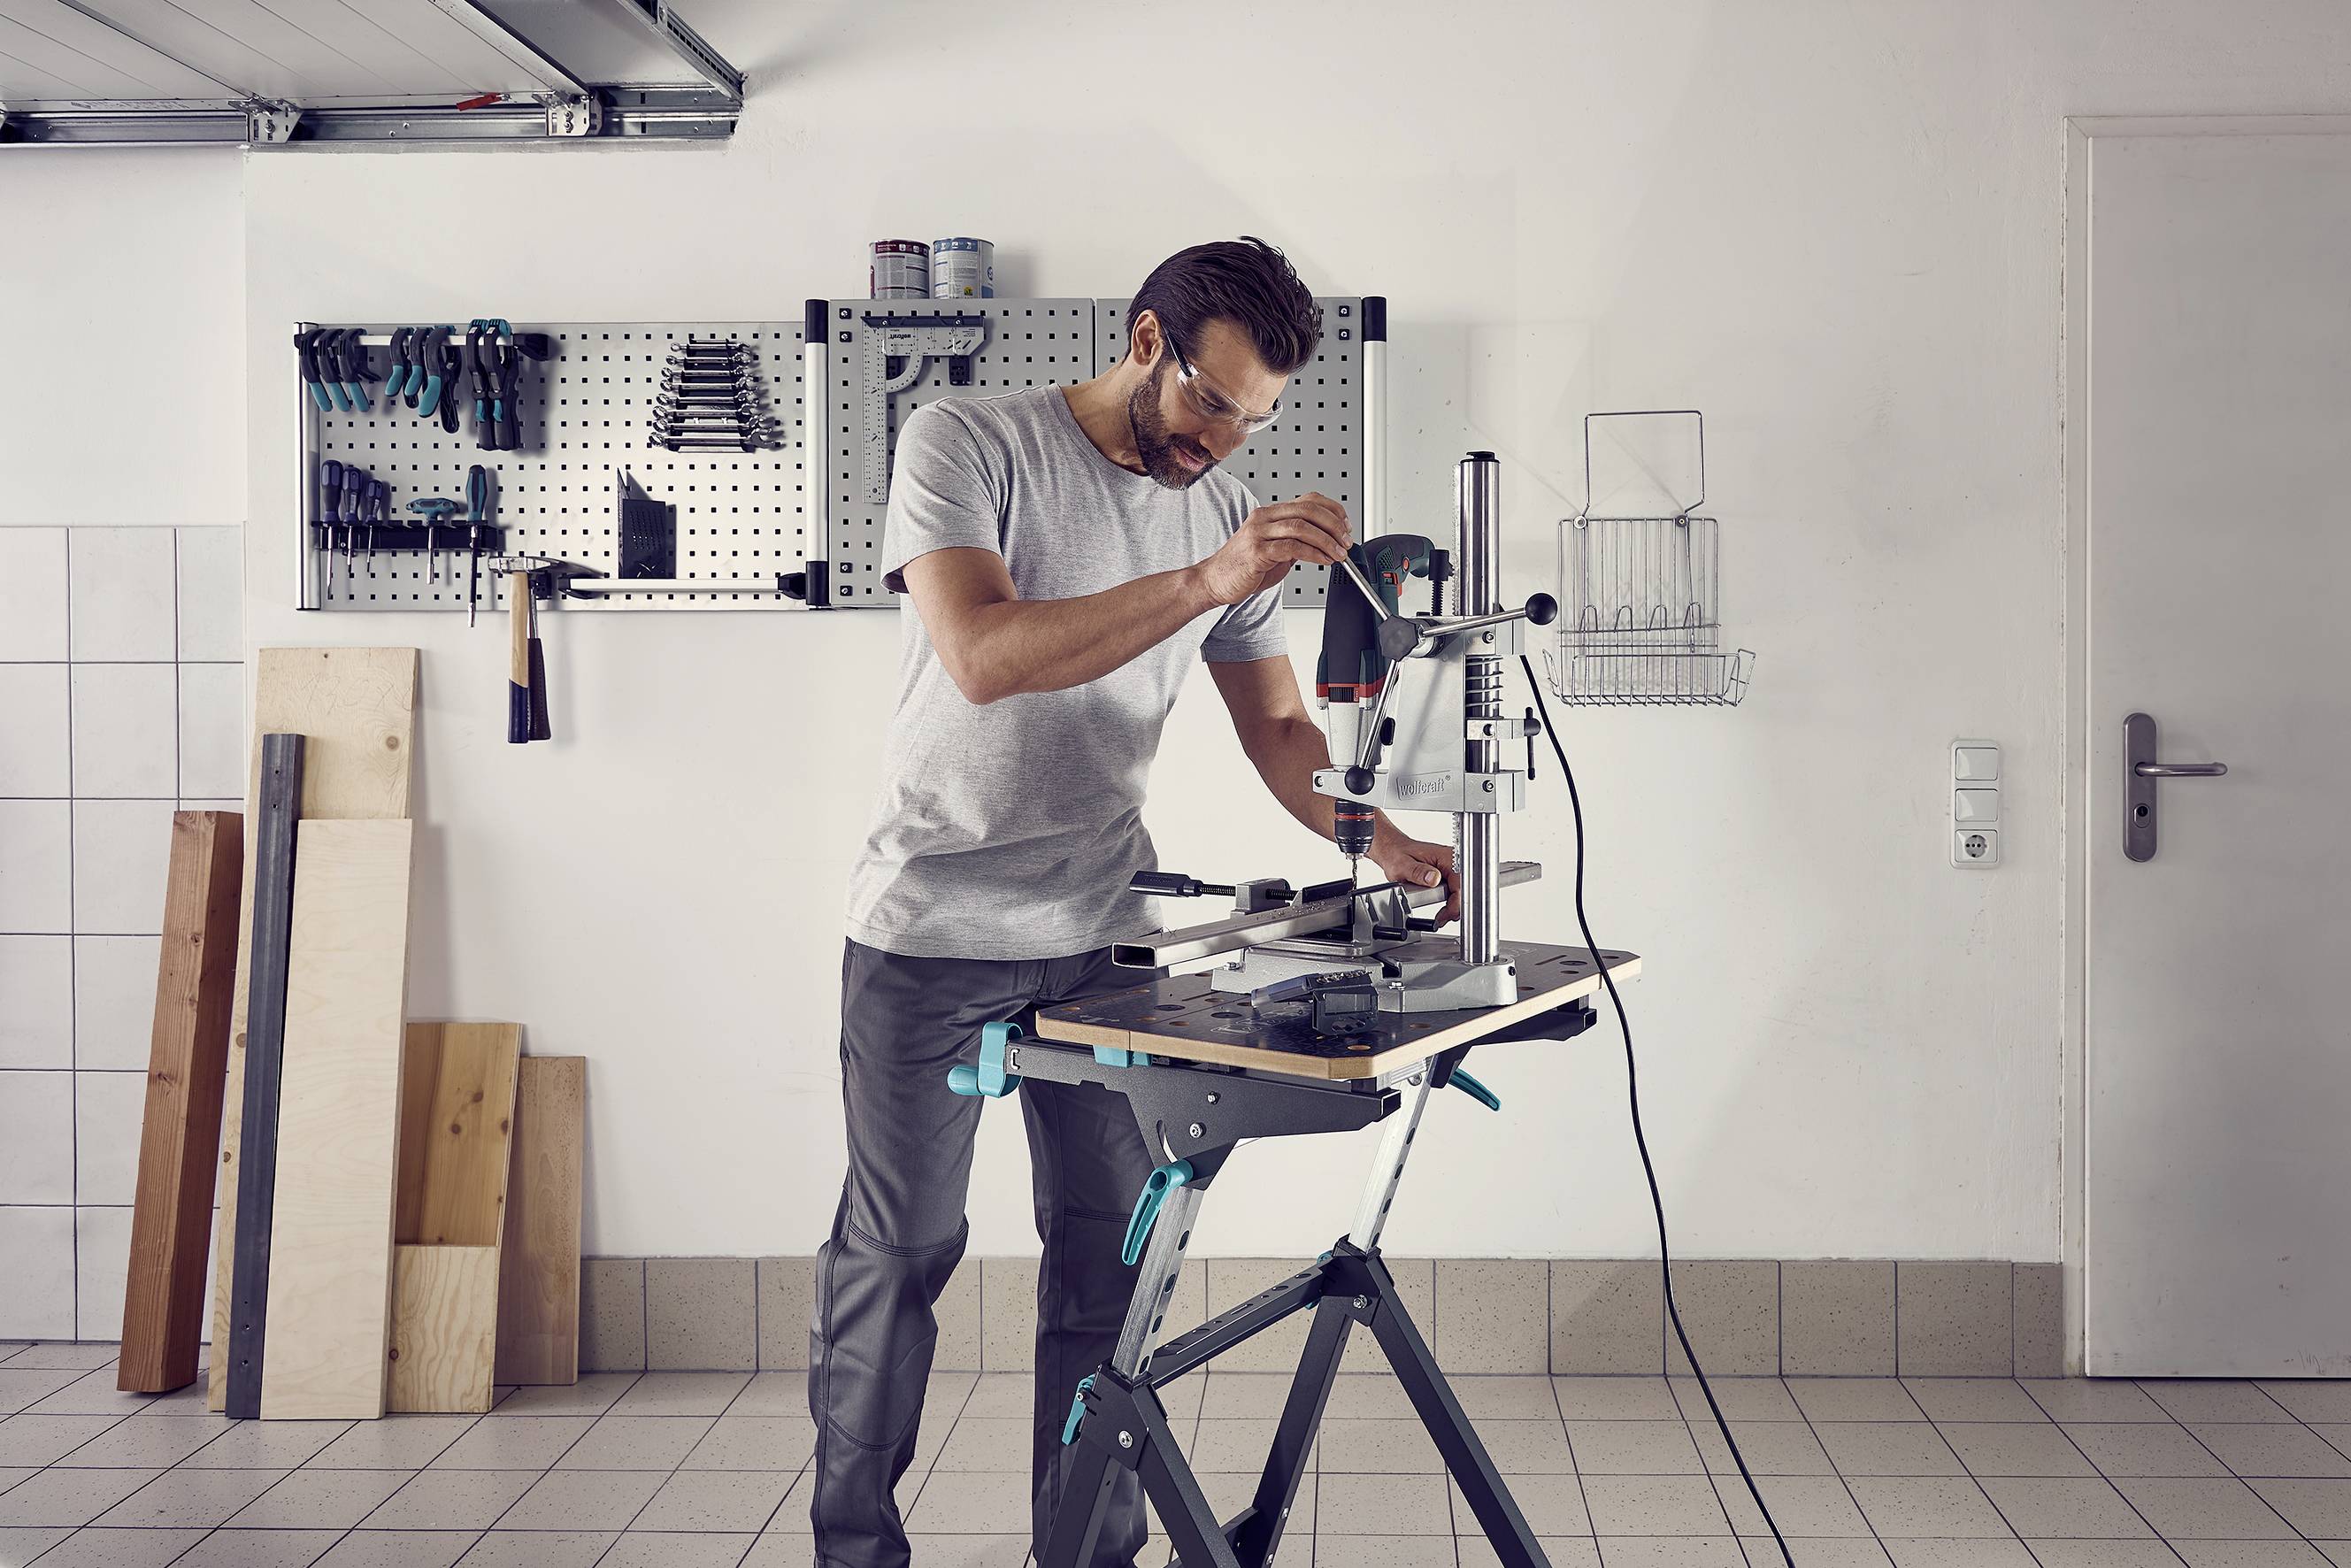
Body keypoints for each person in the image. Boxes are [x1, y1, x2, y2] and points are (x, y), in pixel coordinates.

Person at [811, 237, 1459, 1567]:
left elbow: (1277, 726)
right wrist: (1208, 578)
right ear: (1148, 341)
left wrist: (1379, 834)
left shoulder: (1203, 515)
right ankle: (852, 1552)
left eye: (1252, 420)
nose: (1219, 443)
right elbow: (984, 656)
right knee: (902, 1253)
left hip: (1100, 935)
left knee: (1110, 1268)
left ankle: (1085, 1555)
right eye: (1209, 403)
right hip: (930, 930)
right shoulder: (966, 438)